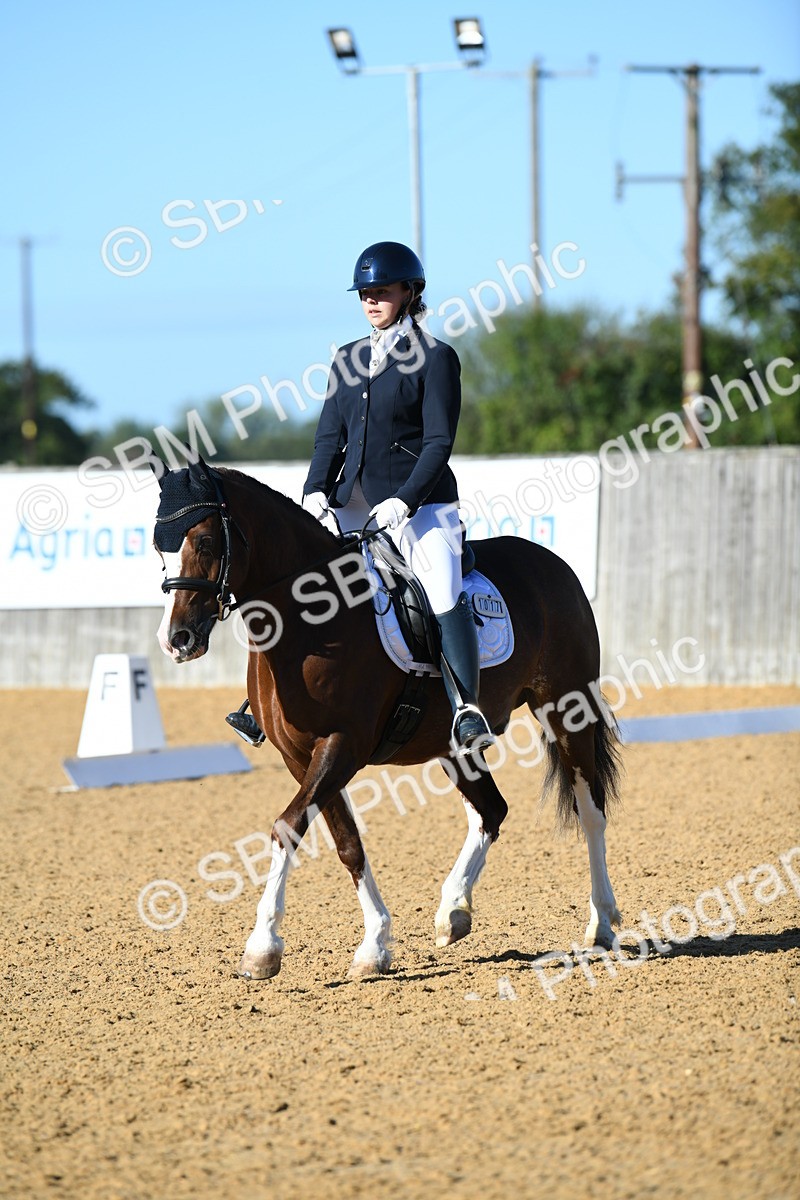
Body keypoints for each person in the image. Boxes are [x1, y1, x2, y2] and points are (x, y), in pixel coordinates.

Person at [227, 240, 494, 757]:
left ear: (410, 292)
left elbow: (439, 442)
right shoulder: (348, 357)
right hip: (352, 500)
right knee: (307, 582)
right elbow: (330, 436)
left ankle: (466, 708)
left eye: (382, 292)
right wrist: (315, 490)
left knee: (441, 590)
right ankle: (260, 699)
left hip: (421, 505)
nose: (371, 301)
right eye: (365, 293)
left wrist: (407, 500)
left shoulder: (437, 358)